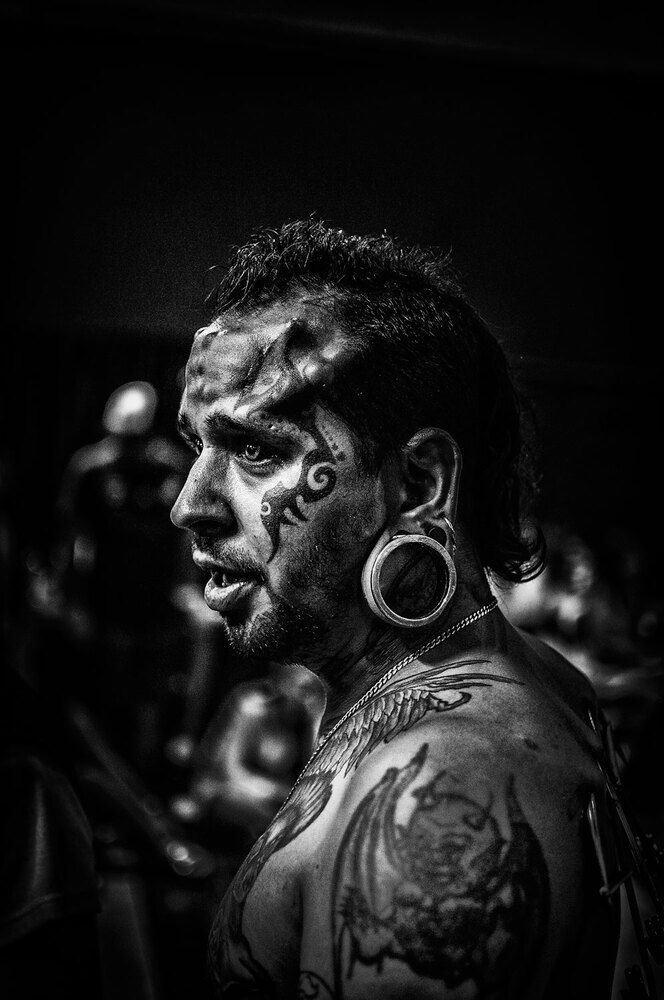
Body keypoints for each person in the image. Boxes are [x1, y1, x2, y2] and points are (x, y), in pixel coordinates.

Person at [170, 219, 622, 999]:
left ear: (418, 485)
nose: (189, 505)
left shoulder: (442, 789)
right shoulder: (522, 683)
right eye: (195, 447)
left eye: (254, 450)